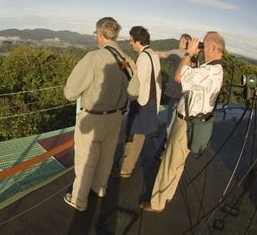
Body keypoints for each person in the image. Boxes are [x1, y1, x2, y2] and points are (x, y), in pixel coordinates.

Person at [141, 32, 225, 213]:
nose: (201, 50)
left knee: (169, 163)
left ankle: (157, 203)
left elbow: (179, 77)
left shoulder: (208, 71)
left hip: (186, 122)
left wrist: (188, 54)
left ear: (211, 48)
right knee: (178, 163)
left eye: (203, 46)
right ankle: (168, 195)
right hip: (196, 123)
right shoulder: (218, 69)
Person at [63, 17, 135, 212]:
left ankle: (79, 199)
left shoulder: (93, 58)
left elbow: (69, 93)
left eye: (96, 34)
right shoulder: (126, 60)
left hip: (93, 117)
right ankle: (100, 188)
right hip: (115, 117)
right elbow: (134, 92)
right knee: (107, 156)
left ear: (100, 34)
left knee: (87, 160)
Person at [113, 26, 162, 178]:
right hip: (151, 100)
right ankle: (128, 165)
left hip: (142, 102)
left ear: (137, 41)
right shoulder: (152, 54)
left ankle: (125, 168)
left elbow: (137, 82)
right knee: (139, 135)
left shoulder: (143, 57)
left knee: (134, 135)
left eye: (131, 40)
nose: (130, 43)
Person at [156, 34, 191, 138]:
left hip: (176, 93)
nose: (178, 43)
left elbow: (160, 54)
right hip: (186, 94)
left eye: (180, 41)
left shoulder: (179, 52)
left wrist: (146, 53)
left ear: (184, 43)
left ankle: (167, 143)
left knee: (170, 120)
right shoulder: (193, 56)